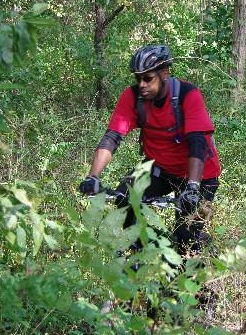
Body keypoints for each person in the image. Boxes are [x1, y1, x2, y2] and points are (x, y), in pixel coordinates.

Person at [79, 44, 221, 256]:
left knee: (186, 238)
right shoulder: (133, 96)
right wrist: (93, 176)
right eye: (138, 79)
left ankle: (195, 273)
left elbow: (197, 142)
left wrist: (192, 187)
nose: (142, 84)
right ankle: (147, 255)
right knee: (123, 199)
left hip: (199, 176)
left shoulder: (187, 94)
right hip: (158, 169)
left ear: (164, 74)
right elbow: (113, 137)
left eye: (148, 78)